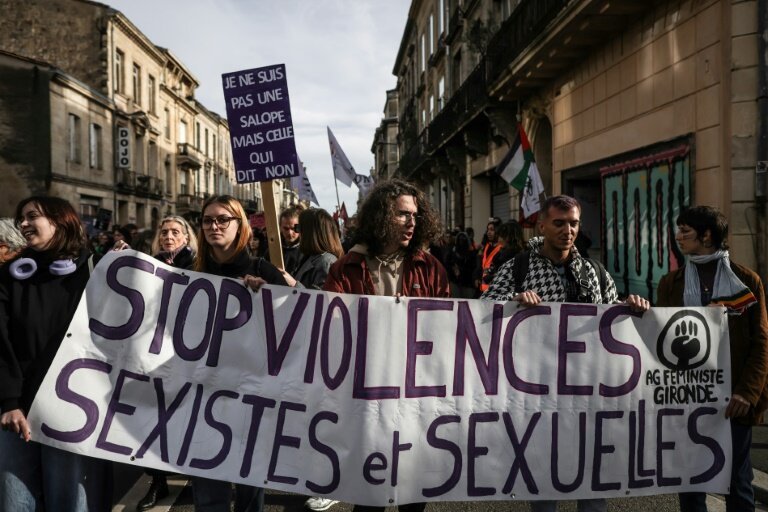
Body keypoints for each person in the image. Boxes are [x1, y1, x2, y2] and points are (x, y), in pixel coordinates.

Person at [481, 195, 650, 512]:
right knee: (545, 482)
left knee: (593, 483)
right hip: (537, 395)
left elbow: (612, 322)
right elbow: (481, 315)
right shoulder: (517, 268)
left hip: (589, 394)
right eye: (559, 223)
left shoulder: (595, 273)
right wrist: (513, 303)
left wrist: (632, 310)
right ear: (542, 225)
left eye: (573, 223)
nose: (567, 230)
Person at [323, 179, 450, 512]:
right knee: (370, 490)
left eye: (414, 215)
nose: (411, 222)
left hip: (416, 392)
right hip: (368, 393)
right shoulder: (346, 267)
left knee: (413, 487)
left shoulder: (430, 267)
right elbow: (331, 326)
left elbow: (448, 326)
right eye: (401, 214)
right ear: (381, 216)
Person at [0, 196, 112, 511]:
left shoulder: (96, 271)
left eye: (31, 216)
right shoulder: (9, 275)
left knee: (69, 501)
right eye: (20, 217)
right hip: (17, 412)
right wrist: (9, 402)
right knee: (15, 502)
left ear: (60, 221)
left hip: (74, 410)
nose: (23, 223)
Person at [656, 206, 768, 512]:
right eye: (678, 230)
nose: (678, 236)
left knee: (737, 485)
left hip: (733, 401)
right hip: (686, 400)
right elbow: (658, 339)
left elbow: (761, 343)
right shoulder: (671, 283)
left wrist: (747, 392)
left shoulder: (747, 282)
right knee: (690, 485)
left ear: (707, 236)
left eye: (686, 231)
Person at [190, 195, 287, 512]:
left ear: (240, 224)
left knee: (249, 494)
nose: (213, 226)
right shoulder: (189, 273)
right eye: (207, 220)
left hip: (252, 396)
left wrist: (272, 296)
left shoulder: (265, 272)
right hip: (202, 395)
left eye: (222, 219)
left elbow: (298, 326)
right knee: (208, 496)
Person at [134, 215, 199, 511]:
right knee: (154, 417)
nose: (168, 237)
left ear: (186, 237)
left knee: (191, 416)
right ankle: (157, 481)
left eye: (175, 231)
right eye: (164, 232)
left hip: (189, 355)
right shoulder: (148, 267)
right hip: (155, 353)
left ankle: (201, 478)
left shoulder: (200, 267)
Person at [279, 208, 343, 290]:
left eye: (298, 228)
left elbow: (323, 300)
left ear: (310, 232)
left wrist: (294, 284)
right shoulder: (309, 256)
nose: (297, 232)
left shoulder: (326, 262)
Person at [480, 219, 524, 290]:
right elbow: (488, 273)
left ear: (509, 238)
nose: (499, 240)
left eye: (501, 236)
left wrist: (493, 276)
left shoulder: (519, 258)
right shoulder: (499, 255)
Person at [271, 206, 302, 275]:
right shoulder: (272, 248)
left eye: (293, 228)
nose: (290, 233)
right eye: (286, 228)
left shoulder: (306, 252)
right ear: (280, 227)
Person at [475, 217, 502, 295]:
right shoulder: (485, 247)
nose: (488, 232)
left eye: (492, 230)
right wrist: (476, 277)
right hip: (482, 290)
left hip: (495, 291)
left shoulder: (502, 249)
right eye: (488, 229)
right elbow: (480, 266)